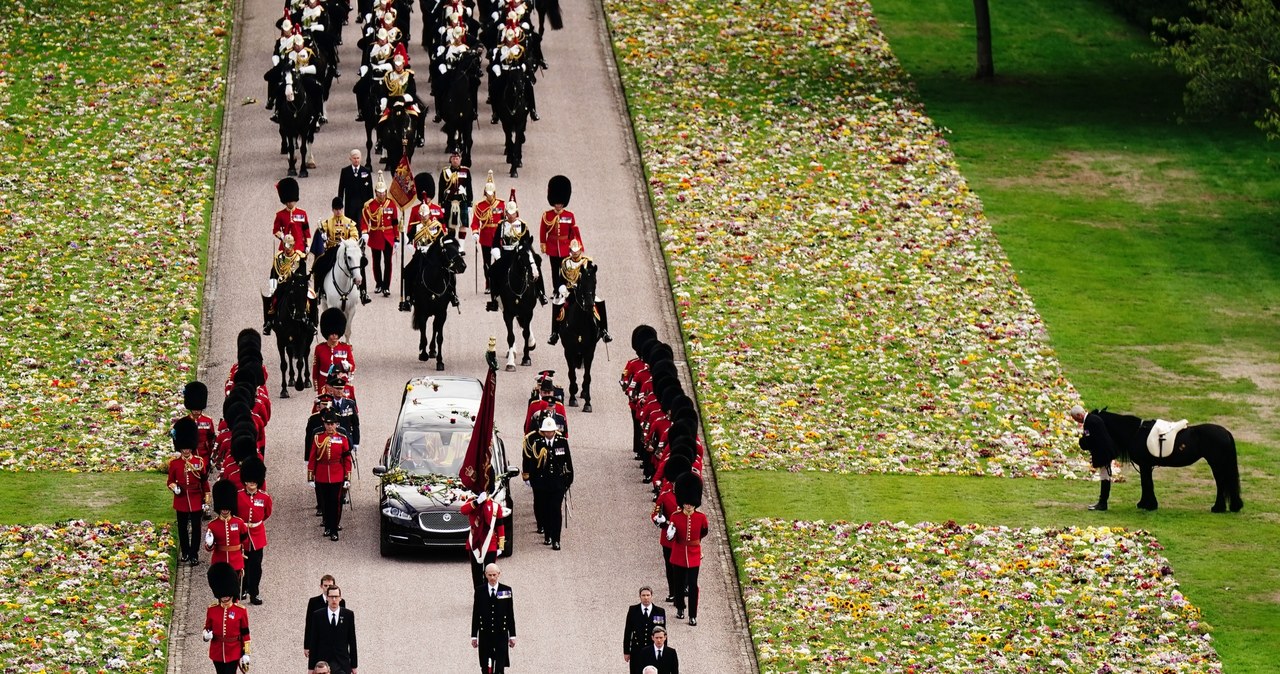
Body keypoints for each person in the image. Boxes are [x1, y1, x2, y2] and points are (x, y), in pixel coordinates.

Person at [521, 416, 573, 550]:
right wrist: (533, 481)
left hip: (557, 483)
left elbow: (568, 461)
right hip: (542, 484)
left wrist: (568, 480)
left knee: (556, 510)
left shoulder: (561, 442)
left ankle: (557, 539)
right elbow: (533, 465)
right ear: (543, 432)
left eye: (551, 431)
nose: (549, 434)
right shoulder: (537, 443)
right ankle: (548, 535)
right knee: (545, 510)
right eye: (547, 431)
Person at [539, 175, 581, 342]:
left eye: (560, 203)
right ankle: (557, 289)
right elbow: (543, 230)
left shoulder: (569, 215)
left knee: (564, 269)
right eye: (556, 203)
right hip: (552, 246)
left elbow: (572, 232)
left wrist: (574, 246)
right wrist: (543, 243)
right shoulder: (547, 215)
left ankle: (562, 288)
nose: (558, 205)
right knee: (553, 269)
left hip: (564, 246)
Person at [549, 238, 612, 344]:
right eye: (573, 251)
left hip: (584, 292)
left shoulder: (587, 262)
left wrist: (589, 290)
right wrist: (564, 291)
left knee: (600, 302)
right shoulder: (565, 263)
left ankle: (604, 331)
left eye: (577, 250)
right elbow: (560, 281)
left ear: (580, 250)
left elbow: (592, 278)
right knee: (557, 303)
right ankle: (554, 333)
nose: (575, 253)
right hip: (569, 293)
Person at [487, 199, 545, 312]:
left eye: (513, 213)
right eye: (509, 213)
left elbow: (527, 242)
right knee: (492, 271)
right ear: (506, 213)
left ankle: (540, 292)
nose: (511, 216)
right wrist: (498, 256)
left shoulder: (522, 225)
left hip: (520, 253)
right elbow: (495, 243)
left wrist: (526, 252)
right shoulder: (502, 225)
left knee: (536, 263)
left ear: (516, 213)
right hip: (505, 253)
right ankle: (494, 299)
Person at [666, 474, 708, 625]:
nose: (688, 505)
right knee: (678, 583)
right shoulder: (675, 516)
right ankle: (680, 607)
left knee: (693, 584)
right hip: (678, 553)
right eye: (686, 503)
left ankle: (692, 614)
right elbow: (671, 535)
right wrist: (671, 533)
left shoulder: (701, 517)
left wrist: (697, 544)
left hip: (694, 554)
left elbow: (704, 531)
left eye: (691, 503)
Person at [313, 196, 370, 304]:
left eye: (340, 209)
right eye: (336, 209)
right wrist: (323, 236)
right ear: (333, 210)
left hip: (346, 249)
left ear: (342, 209)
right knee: (320, 264)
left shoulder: (349, 222)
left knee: (360, 264)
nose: (338, 211)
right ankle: (318, 291)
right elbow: (320, 233)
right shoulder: (327, 222)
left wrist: (347, 243)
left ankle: (363, 292)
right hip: (332, 250)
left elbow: (355, 235)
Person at [168, 417, 209, 567]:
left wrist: (206, 500)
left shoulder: (199, 462)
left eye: (188, 448)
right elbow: (170, 481)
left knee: (197, 529)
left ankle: (194, 554)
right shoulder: (174, 464)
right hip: (181, 498)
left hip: (196, 497)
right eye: (183, 448)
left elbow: (203, 481)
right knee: (182, 528)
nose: (185, 450)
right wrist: (175, 488)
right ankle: (185, 552)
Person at [309, 409, 353, 541]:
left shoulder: (342, 438)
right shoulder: (318, 437)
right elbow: (312, 457)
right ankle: (327, 526)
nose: (329, 426)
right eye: (327, 424)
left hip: (337, 474)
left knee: (336, 503)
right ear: (324, 424)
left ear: (336, 424)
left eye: (332, 424)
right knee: (325, 503)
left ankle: (334, 529)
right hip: (322, 474)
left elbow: (346, 459)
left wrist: (347, 477)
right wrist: (311, 476)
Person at [203, 562, 251, 674]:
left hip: (234, 650)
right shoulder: (212, 610)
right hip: (217, 651)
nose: (225, 597)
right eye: (222, 595)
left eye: (227, 595)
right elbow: (207, 627)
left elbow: (245, 634)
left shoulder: (240, 611)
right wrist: (206, 635)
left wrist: (246, 653)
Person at [237, 457, 272, 605]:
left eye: (254, 482)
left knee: (256, 566)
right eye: (249, 482)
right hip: (242, 535)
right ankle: (243, 589)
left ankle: (254, 593)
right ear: (245, 481)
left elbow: (267, 513)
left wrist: (255, 523)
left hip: (257, 536)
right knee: (242, 565)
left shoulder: (264, 497)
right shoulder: (238, 496)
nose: (251, 485)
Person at [360, 172, 401, 296]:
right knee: (376, 261)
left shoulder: (391, 204)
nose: (382, 194)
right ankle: (378, 283)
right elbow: (364, 219)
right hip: (375, 235)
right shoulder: (370, 205)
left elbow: (395, 222)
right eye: (380, 192)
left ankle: (386, 286)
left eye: (384, 192)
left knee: (388, 261)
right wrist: (365, 232)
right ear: (376, 192)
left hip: (388, 236)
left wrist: (397, 237)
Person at [471, 563, 516, 674]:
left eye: (494, 575)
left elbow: (510, 614)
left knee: (500, 669)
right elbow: (476, 614)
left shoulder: (506, 590)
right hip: (485, 635)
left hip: (501, 634)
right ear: (486, 575)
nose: (492, 578)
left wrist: (513, 635)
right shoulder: (480, 591)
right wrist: (473, 636)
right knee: (485, 669)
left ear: (499, 574)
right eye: (490, 575)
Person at [1070, 405, 1116, 511]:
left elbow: (1089, 440)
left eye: (1076, 419)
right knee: (1105, 475)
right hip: (1106, 451)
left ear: (1079, 415)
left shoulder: (1089, 422)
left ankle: (1103, 503)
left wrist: (1081, 442)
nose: (1077, 421)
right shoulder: (1094, 418)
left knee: (1105, 477)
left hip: (1103, 453)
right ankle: (1102, 502)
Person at [304, 584, 359, 674]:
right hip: (323, 663)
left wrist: (354, 665)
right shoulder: (318, 615)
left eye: (336, 597)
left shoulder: (348, 615)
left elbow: (352, 641)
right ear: (327, 598)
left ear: (340, 598)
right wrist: (311, 667)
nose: (334, 599)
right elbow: (313, 641)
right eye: (331, 597)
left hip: (342, 663)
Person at [262, 233, 309, 335]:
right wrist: (272, 285)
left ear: (293, 245)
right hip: (282, 285)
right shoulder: (278, 257)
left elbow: (303, 273)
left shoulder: (298, 257)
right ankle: (269, 322)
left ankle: (310, 321)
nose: (287, 248)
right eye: (286, 245)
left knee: (309, 299)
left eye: (290, 245)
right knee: (272, 300)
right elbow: (274, 273)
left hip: (296, 285)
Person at [460, 489, 507, 590]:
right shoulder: (472, 502)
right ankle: (479, 598)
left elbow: (500, 527)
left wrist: (501, 546)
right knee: (476, 574)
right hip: (475, 543)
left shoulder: (495, 506)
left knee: (490, 573)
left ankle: (488, 597)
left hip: (490, 543)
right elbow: (463, 510)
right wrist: (477, 502)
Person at [470, 172, 505, 293]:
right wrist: (475, 232)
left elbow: (505, 220)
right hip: (485, 236)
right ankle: (488, 284)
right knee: (486, 263)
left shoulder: (501, 204)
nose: (489, 197)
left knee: (499, 262)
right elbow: (475, 222)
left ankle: (498, 283)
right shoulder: (480, 206)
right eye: (487, 194)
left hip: (497, 236)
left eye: (491, 194)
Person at [623, 586, 668, 673]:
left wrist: (664, 650)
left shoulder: (659, 611)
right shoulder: (633, 610)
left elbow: (663, 633)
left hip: (653, 649)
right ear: (640, 596)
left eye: (648, 595)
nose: (646, 598)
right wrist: (626, 651)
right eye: (643, 595)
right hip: (637, 650)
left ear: (652, 596)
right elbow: (628, 632)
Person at [313, 308, 356, 393]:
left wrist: (344, 366)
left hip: (341, 386)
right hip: (324, 386)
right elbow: (316, 368)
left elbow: (352, 366)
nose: (335, 336)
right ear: (327, 333)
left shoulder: (346, 348)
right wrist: (316, 384)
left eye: (337, 333)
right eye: (332, 333)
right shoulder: (320, 348)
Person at [439, 150, 473, 236]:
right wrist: (441, 204)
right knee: (450, 225)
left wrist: (469, 204)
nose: (455, 160)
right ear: (450, 159)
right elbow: (441, 189)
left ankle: (461, 247)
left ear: (460, 159)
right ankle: (452, 244)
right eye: (453, 158)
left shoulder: (466, 171)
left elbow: (469, 188)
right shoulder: (445, 172)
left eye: (457, 158)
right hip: (449, 200)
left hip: (462, 200)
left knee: (463, 224)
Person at [273, 177, 311, 253]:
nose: (288, 203)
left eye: (290, 201)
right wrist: (282, 236)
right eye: (287, 202)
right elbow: (276, 230)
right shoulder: (280, 215)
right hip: (285, 247)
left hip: (299, 247)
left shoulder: (302, 213)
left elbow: (306, 231)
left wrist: (308, 244)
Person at [337, 149, 374, 223]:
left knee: (361, 226)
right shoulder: (345, 171)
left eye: (358, 158)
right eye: (354, 158)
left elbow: (370, 189)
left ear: (361, 158)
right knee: (350, 225)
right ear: (350, 159)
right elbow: (341, 189)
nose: (356, 160)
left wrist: (371, 204)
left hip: (363, 205)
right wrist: (339, 205)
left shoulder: (366, 171)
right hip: (350, 205)